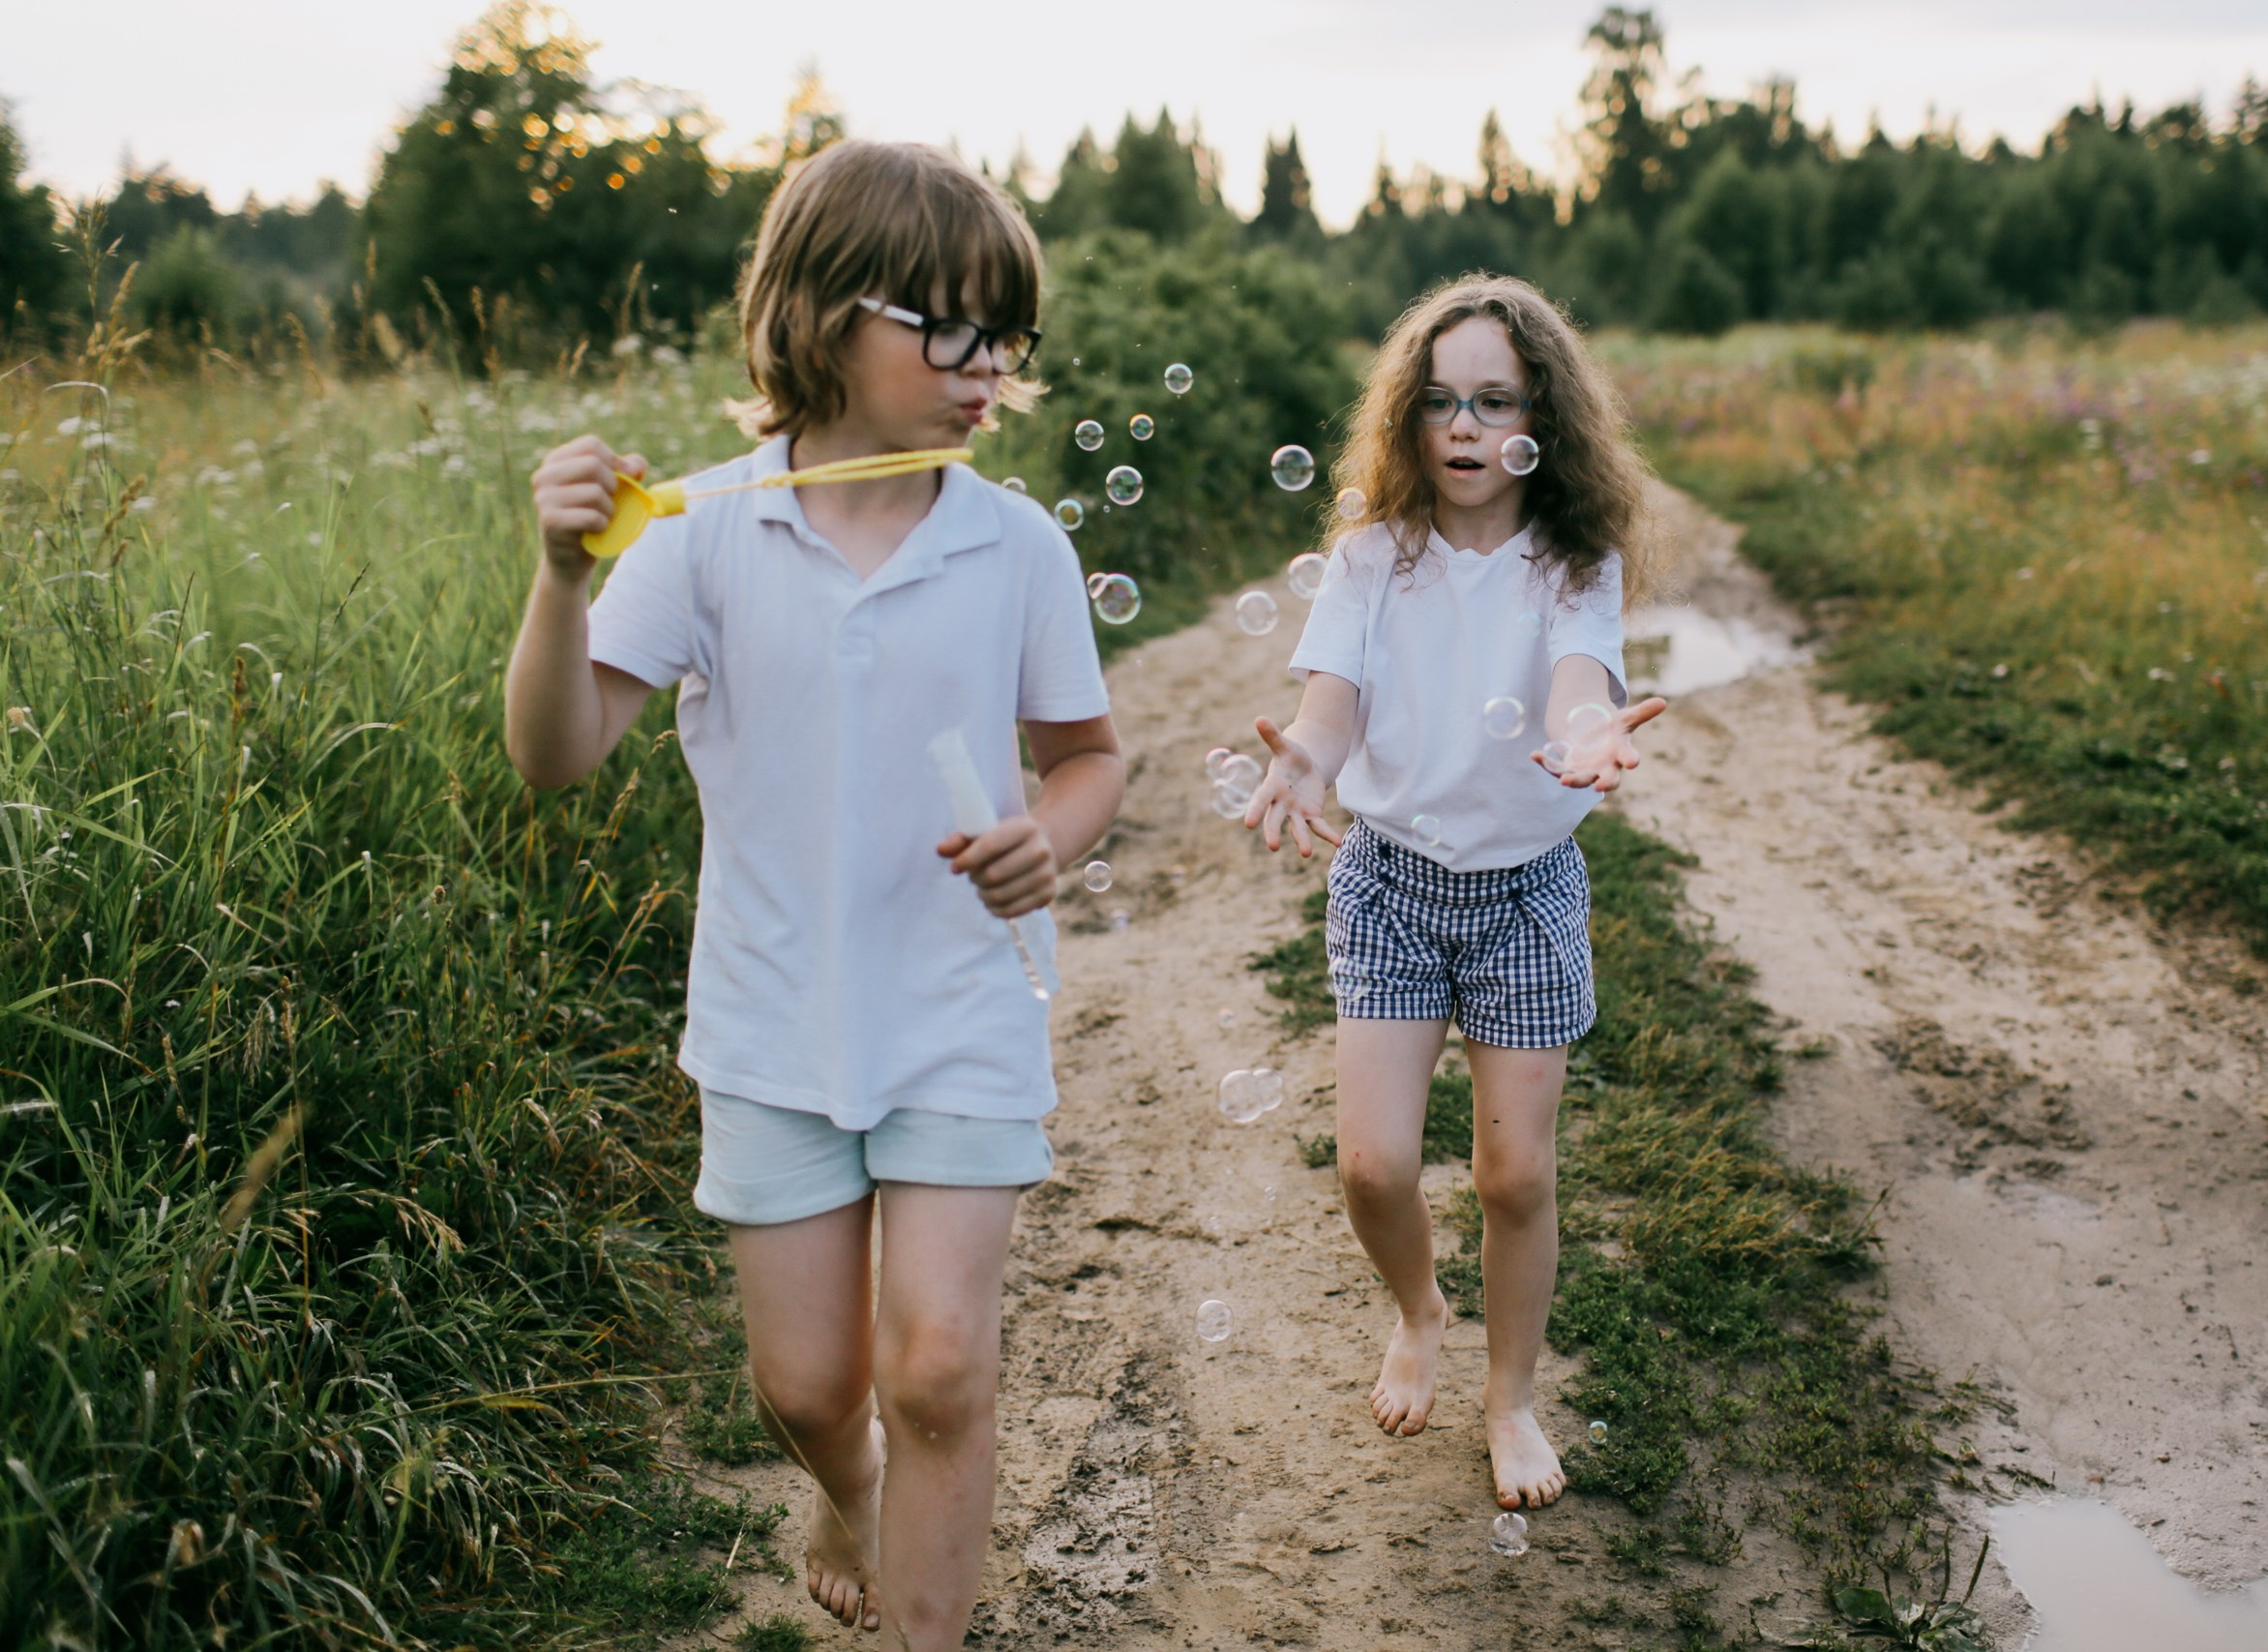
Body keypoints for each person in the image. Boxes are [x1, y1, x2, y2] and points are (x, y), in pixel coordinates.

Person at [505, 140, 1122, 1647]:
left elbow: (1089, 757)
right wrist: (561, 578)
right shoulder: (701, 525)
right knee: (805, 1386)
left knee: (937, 1366)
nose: (990, 371)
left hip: (963, 1006)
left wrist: (1057, 833)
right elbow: (557, 753)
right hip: (773, 1014)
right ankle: (845, 1483)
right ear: (821, 315)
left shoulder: (1016, 542)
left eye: (1009, 338)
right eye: (951, 328)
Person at [1241, 274, 1665, 1512]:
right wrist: (1301, 763)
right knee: (1373, 1166)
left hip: (1524, 891)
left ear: (1544, 419)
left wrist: (1588, 734)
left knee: (1512, 1178)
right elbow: (1329, 708)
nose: (1467, 427)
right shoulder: (1373, 556)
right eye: (1439, 402)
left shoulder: (1570, 566)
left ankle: (1511, 1399)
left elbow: (1580, 680)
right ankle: (1420, 1307)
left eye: (1495, 401)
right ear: (1407, 421)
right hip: (1390, 881)